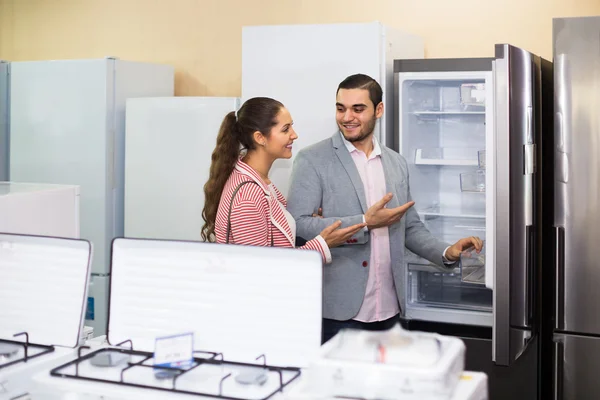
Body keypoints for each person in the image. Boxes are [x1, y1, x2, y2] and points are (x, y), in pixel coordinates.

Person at [286, 74, 483, 343]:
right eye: (340, 108)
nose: (347, 117)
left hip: (390, 309)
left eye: (358, 109)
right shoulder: (312, 159)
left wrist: (448, 251)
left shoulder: (396, 163)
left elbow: (409, 226)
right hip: (339, 313)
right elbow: (298, 224)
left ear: (378, 110)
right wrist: (365, 221)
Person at [201, 96, 366, 263]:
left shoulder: (260, 180)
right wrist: (322, 245)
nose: (294, 135)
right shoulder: (248, 196)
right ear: (260, 138)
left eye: (291, 127)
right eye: (285, 129)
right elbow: (262, 268)